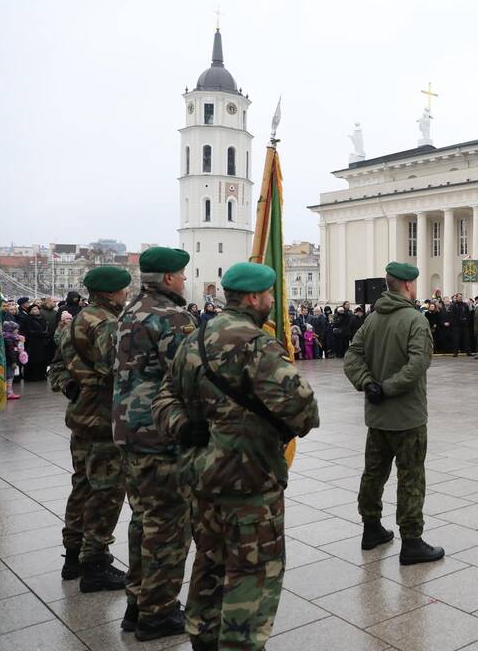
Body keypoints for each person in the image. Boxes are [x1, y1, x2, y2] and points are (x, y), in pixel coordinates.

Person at [153, 262, 319, 651]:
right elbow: (304, 410)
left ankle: (203, 638)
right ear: (253, 298)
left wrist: (183, 426)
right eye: (269, 295)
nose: (273, 301)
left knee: (210, 562)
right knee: (253, 570)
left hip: (201, 476)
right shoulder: (257, 345)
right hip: (249, 481)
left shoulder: (194, 339)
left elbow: (163, 399)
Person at [111, 247, 197, 640]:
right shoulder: (172, 316)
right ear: (166, 278)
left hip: (130, 430)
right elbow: (190, 376)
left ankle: (137, 602)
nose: (183, 280)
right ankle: (159, 613)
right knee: (167, 525)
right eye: (180, 274)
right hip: (161, 433)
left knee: (143, 519)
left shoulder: (130, 309)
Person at [343, 262, 443, 566]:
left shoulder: (372, 320)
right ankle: (411, 541)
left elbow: (352, 356)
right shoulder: (415, 320)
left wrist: (368, 384)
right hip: (407, 416)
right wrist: (387, 388)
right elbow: (417, 365)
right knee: (411, 476)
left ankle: (371, 529)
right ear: (410, 286)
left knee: (374, 473)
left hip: (377, 417)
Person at [49, 266, 130, 592]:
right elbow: (113, 370)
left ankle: (73, 557)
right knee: (107, 491)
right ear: (112, 293)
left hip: (82, 418)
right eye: (124, 290)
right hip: (102, 421)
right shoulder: (107, 324)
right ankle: (95, 562)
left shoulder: (77, 318)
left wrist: (69, 385)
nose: (126, 295)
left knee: (82, 485)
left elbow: (56, 366)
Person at [20, 303, 50, 382]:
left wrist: (45, 334)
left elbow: (46, 328)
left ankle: (41, 375)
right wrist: (40, 333)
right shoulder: (28, 319)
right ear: (30, 311)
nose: (36, 311)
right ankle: (33, 377)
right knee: (34, 360)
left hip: (42, 342)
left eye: (37, 309)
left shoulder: (42, 318)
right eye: (34, 309)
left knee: (42, 359)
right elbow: (29, 331)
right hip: (33, 343)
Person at [446, 293, 472, 357]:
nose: (460, 298)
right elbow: (451, 315)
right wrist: (455, 322)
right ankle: (455, 352)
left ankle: (468, 351)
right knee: (456, 339)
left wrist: (466, 320)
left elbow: (468, 314)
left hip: (464, 325)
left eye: (461, 297)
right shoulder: (453, 305)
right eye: (459, 297)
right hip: (456, 326)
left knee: (466, 339)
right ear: (456, 298)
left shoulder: (464, 305)